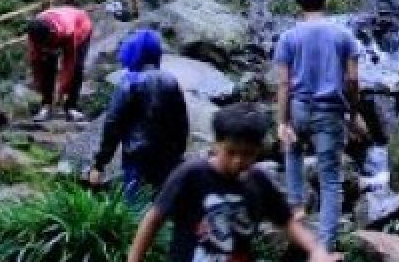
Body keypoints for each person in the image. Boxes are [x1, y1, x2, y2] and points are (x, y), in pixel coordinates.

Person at [125, 102, 336, 262]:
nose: (238, 160)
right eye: (231, 152)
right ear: (216, 144)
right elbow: (153, 220)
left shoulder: (259, 181)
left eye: (247, 154)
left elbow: (287, 221)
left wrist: (315, 250)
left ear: (259, 150)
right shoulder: (191, 174)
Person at [274, 0, 362, 249]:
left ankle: (297, 206)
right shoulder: (344, 36)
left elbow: (283, 84)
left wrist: (282, 121)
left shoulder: (288, 38)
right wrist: (353, 114)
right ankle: (324, 246)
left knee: (292, 151)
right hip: (330, 111)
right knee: (330, 180)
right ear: (325, 4)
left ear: (299, 6)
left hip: (299, 107)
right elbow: (353, 79)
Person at [89, 29, 189, 200]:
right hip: (167, 157)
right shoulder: (170, 81)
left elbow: (113, 123)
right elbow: (182, 123)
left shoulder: (130, 82)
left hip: (137, 157)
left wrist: (100, 164)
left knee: (135, 209)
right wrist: (178, 153)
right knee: (161, 206)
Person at [27, 5, 93, 122]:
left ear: (51, 33)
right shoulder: (35, 33)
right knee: (47, 67)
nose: (44, 47)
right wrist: (38, 85)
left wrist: (62, 91)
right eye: (41, 45)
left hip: (80, 27)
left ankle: (71, 107)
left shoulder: (67, 30)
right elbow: (36, 62)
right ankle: (46, 106)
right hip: (58, 27)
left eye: (46, 44)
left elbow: (69, 63)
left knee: (77, 67)